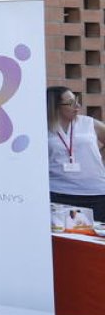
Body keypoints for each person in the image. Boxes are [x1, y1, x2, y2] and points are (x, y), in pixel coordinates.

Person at [48, 85, 105, 221]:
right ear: (55, 106)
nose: (77, 105)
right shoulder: (43, 129)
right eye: (71, 103)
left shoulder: (89, 123)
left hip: (96, 192)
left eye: (76, 100)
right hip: (58, 193)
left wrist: (100, 159)